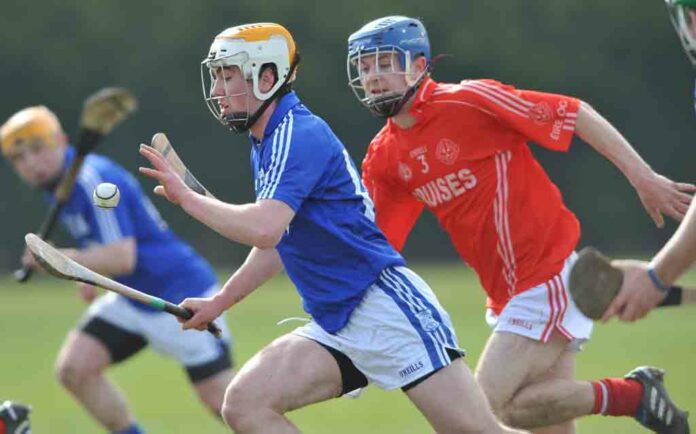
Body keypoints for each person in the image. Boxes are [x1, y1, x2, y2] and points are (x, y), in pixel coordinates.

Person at [139, 22, 526, 434]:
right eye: (215, 76)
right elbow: (278, 243)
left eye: (227, 75)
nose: (217, 90)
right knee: (246, 405)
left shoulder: (296, 134)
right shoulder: (267, 139)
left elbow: (264, 230)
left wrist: (188, 199)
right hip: (337, 321)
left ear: (266, 77)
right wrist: (219, 302)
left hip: (384, 308)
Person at [348, 15, 693, 434]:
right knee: (533, 417)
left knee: (476, 414)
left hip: (544, 279)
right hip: (505, 296)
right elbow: (375, 247)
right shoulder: (384, 157)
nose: (373, 77)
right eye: (365, 67)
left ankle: (633, 395)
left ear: (419, 66)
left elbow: (575, 113)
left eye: (385, 62)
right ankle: (636, 395)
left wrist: (644, 178)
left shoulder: (470, 101)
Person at [0, 106, 234, 434]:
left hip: (178, 295)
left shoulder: (92, 181)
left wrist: (56, 258)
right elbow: (103, 248)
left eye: (38, 149)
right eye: (19, 159)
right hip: (131, 297)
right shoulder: (59, 189)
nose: (31, 164)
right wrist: (84, 275)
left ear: (61, 141)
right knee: (75, 369)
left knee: (228, 405)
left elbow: (123, 256)